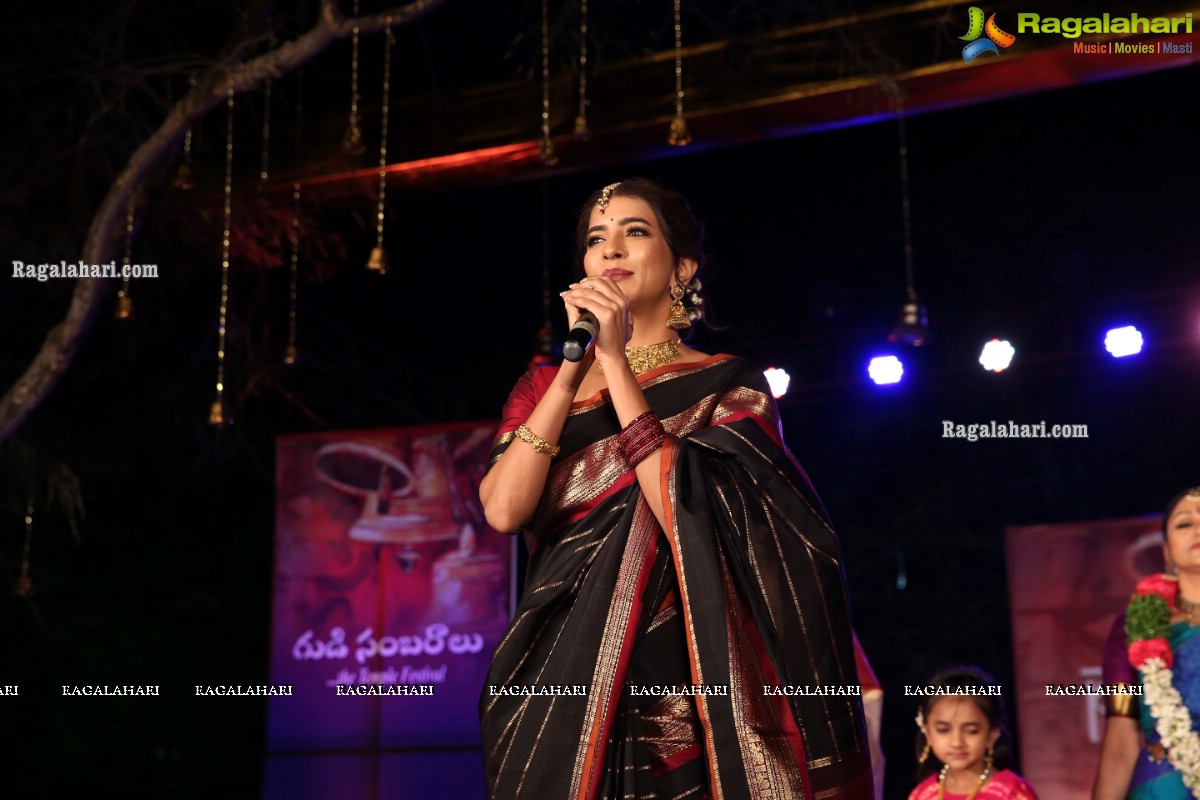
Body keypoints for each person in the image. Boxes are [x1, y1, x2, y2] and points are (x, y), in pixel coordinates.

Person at [478, 178, 874, 799]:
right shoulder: (539, 390)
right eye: (595, 240)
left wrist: (615, 361)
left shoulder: (727, 384)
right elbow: (504, 510)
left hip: (680, 684)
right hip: (552, 674)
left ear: (682, 267)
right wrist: (569, 374)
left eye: (634, 233)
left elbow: (686, 509)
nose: (611, 250)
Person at [1092, 486, 1200, 800]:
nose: (1197, 529)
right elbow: (1121, 741)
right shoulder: (1133, 628)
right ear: (1167, 551)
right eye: (1184, 523)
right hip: (1164, 787)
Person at [909, 666, 1039, 800]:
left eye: (972, 731)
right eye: (943, 730)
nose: (957, 742)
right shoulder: (923, 794)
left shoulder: (1012, 793)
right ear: (927, 732)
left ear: (992, 734)